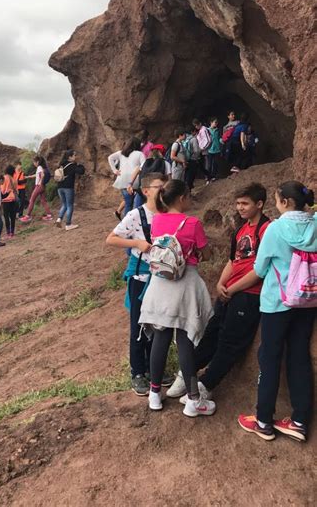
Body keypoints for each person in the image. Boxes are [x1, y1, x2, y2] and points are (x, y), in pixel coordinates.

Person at [167, 183, 270, 400]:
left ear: (259, 204)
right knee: (211, 333)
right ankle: (187, 374)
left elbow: (260, 270)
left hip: (249, 293)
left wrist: (232, 288)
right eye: (238, 203)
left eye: (245, 203)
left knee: (230, 340)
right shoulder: (241, 230)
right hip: (229, 290)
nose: (240, 208)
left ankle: (205, 386)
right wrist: (221, 284)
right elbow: (233, 260)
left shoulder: (266, 229)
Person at [234, 181, 316, 442]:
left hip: (277, 303)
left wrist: (232, 287)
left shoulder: (275, 229)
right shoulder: (315, 225)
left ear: (283, 202)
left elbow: (259, 270)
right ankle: (300, 421)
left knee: (269, 358)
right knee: (299, 356)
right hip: (308, 301)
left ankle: (263, 421)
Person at [138, 180, 216, 417]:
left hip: (160, 283)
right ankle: (193, 401)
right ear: (182, 197)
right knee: (185, 342)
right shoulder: (192, 223)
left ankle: (154, 395)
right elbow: (206, 253)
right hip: (185, 285)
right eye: (189, 195)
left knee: (160, 338)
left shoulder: (157, 220)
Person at [106, 173, 169, 395]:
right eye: (159, 187)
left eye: (165, 186)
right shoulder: (135, 215)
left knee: (159, 323)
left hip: (163, 278)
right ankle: (138, 372)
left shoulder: (167, 213)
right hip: (140, 277)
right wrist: (136, 243)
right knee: (139, 326)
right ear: (146, 191)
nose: (163, 190)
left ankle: (155, 367)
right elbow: (111, 238)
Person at [108, 137, 146, 216]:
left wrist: (114, 170)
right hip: (134, 180)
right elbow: (144, 165)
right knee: (136, 203)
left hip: (122, 179)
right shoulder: (139, 154)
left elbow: (110, 158)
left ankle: (126, 223)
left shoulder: (121, 153)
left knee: (128, 203)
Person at [55, 149, 85, 231]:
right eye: (74, 155)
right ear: (69, 157)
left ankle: (59, 219)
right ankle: (68, 224)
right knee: (70, 205)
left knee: (64, 204)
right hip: (68, 188)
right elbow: (81, 171)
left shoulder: (61, 165)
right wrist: (80, 165)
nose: (76, 156)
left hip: (59, 187)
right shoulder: (72, 165)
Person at [19, 155, 53, 223]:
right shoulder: (41, 167)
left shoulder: (39, 167)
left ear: (37, 162)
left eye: (34, 162)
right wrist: (28, 177)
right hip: (42, 186)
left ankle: (28, 216)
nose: (34, 163)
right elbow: (37, 175)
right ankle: (49, 215)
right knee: (43, 201)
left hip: (39, 186)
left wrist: (40, 182)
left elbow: (42, 175)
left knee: (31, 200)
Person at [1, 165, 18, 238]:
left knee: (6, 216)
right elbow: (16, 190)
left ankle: (8, 232)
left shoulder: (4, 178)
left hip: (5, 200)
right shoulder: (13, 179)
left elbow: (2, 190)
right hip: (13, 199)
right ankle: (12, 232)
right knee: (13, 216)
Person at [184, 127, 201, 191]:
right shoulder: (193, 139)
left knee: (187, 174)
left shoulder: (185, 139)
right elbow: (196, 150)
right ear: (192, 132)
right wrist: (196, 157)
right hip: (192, 159)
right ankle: (189, 190)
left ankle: (187, 189)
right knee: (191, 175)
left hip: (186, 159)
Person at [206, 117, 222, 182]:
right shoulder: (207, 130)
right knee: (209, 165)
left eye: (217, 122)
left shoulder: (218, 130)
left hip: (217, 150)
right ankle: (208, 177)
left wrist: (222, 141)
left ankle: (213, 176)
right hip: (209, 150)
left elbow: (220, 138)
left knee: (215, 164)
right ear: (211, 122)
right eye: (215, 122)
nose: (216, 124)